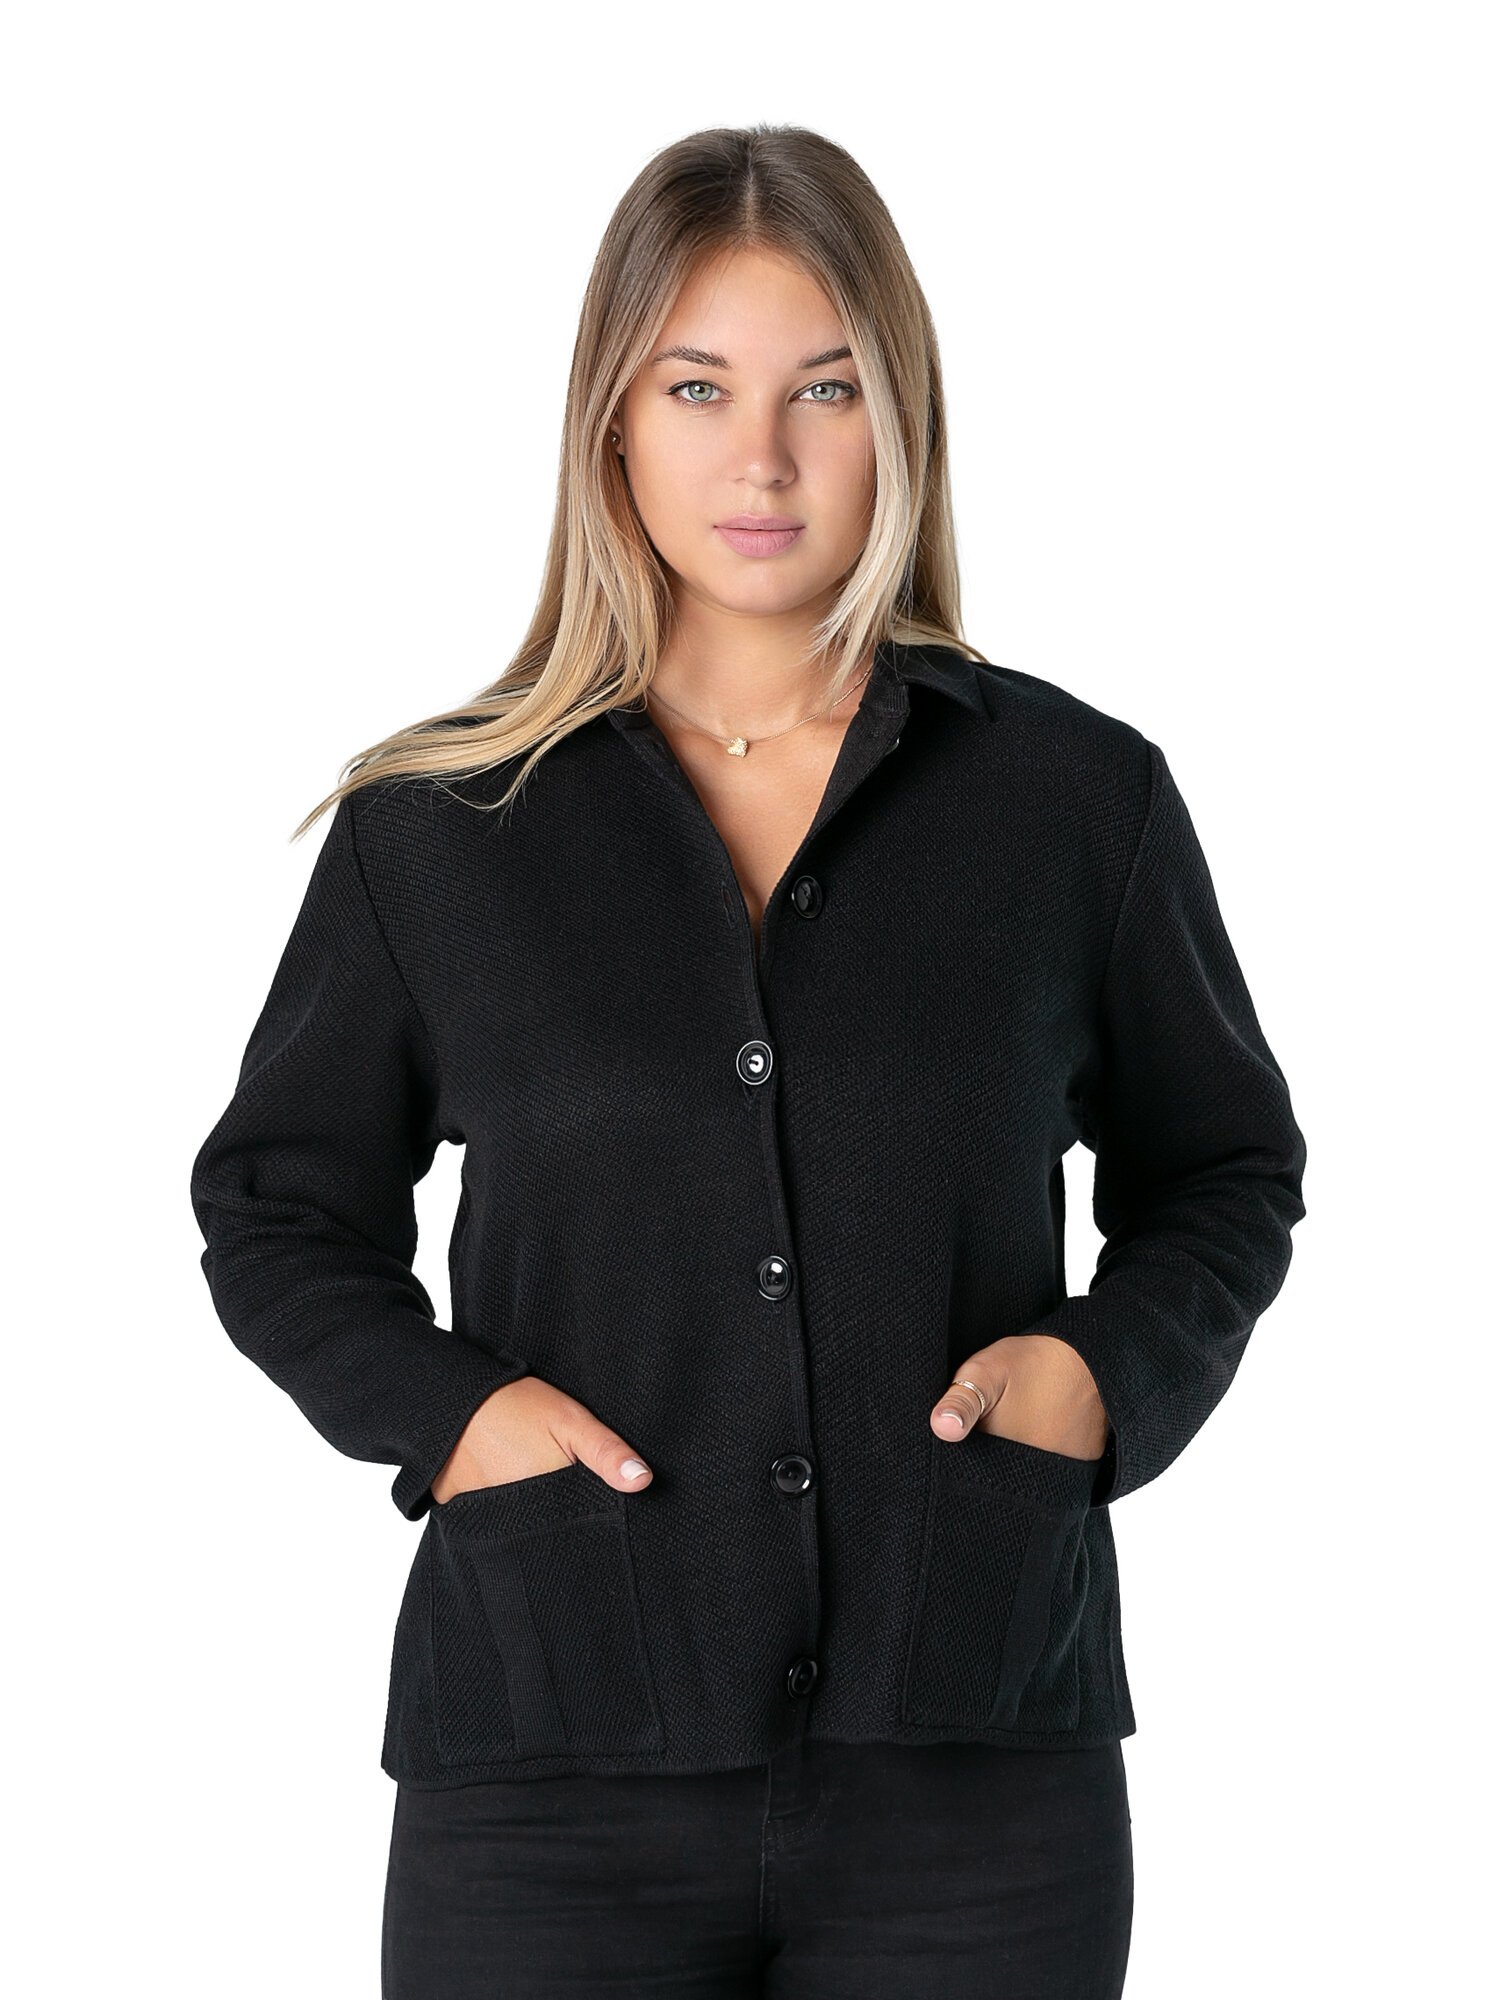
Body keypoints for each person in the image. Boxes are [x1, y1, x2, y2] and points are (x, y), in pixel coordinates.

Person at [189, 122, 1307, 1999]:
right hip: (549, 1755)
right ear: (613, 424)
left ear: (903, 418)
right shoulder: (439, 828)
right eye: (698, 387)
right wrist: (458, 1421)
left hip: (978, 1768)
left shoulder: (1074, 802)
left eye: (826, 389)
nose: (763, 458)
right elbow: (276, 1210)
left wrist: (1102, 1379)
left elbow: (1225, 1171)